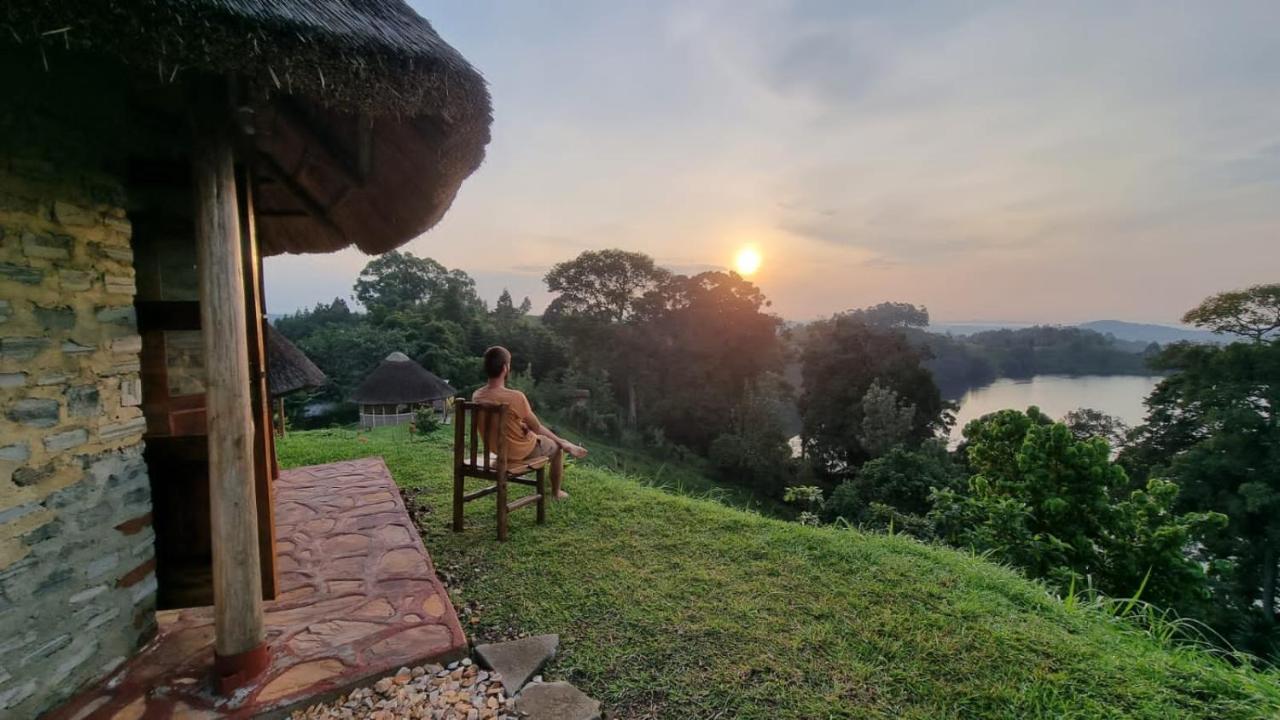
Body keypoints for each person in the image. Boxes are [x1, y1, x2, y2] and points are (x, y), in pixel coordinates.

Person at [472, 346, 586, 499]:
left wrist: (520, 426)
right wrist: (562, 441)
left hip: (498, 451)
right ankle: (556, 492)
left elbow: (502, 422)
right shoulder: (515, 397)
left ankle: (564, 443)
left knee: (533, 433)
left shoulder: (477, 395)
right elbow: (537, 427)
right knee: (556, 448)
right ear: (505, 368)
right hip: (519, 452)